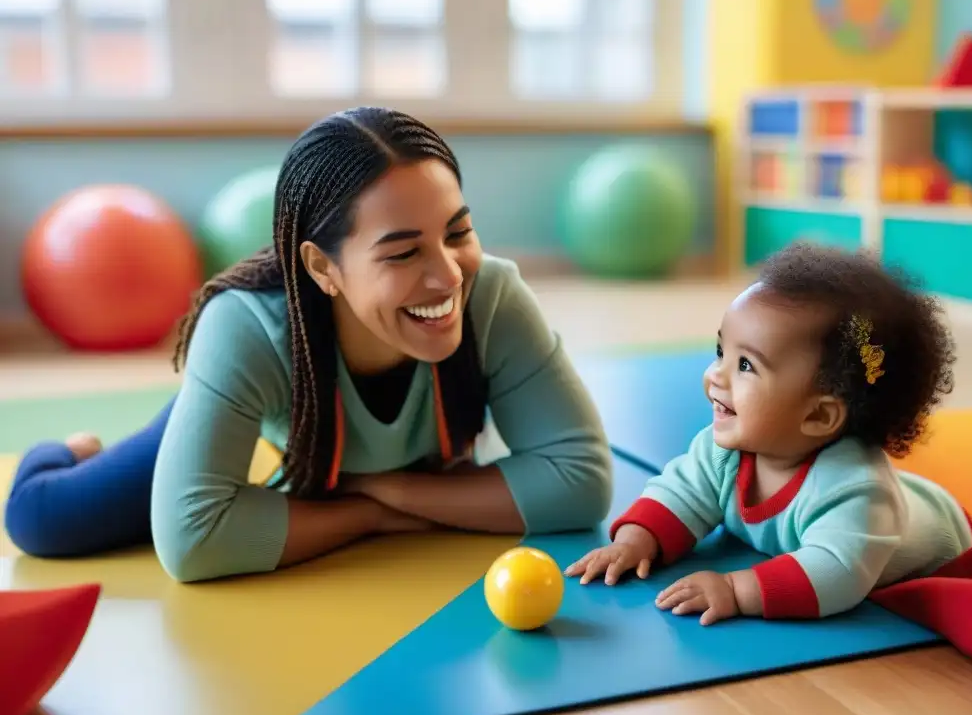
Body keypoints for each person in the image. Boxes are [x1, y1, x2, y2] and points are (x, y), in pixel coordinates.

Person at [4, 106, 614, 583]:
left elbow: (582, 480)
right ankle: (71, 448)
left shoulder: (492, 293)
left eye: (458, 231)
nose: (449, 274)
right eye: (403, 252)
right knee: (41, 521)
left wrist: (394, 488)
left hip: (358, 477)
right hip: (272, 437)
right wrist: (371, 516)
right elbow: (192, 542)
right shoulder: (243, 327)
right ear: (322, 268)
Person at [566, 241, 972, 622]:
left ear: (818, 417)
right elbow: (682, 493)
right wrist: (634, 543)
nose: (714, 376)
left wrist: (735, 589)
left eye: (745, 366)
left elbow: (837, 572)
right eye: (722, 353)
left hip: (945, 542)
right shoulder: (725, 449)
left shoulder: (854, 491)